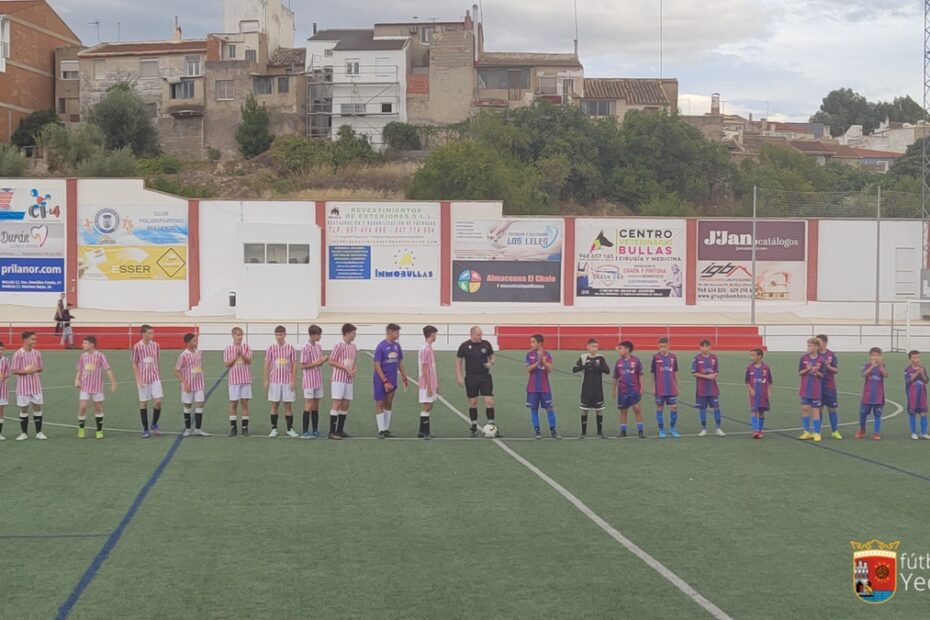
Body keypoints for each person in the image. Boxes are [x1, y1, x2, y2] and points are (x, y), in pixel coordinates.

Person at [456, 326, 496, 438]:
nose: (480, 337)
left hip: (485, 377)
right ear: (472, 334)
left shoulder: (486, 344)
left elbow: (492, 357)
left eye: (481, 334)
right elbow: (458, 362)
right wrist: (459, 377)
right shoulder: (464, 346)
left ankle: (492, 426)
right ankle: (473, 427)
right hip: (471, 377)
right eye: (478, 335)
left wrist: (491, 363)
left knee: (489, 401)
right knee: (473, 402)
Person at [74, 336, 116, 439]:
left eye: (85, 343)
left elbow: (108, 369)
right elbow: (79, 369)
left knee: (98, 407)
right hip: (85, 386)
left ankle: (99, 430)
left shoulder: (100, 356)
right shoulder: (82, 356)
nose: (83, 345)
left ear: (92, 345)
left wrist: (113, 382)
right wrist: (77, 380)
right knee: (83, 407)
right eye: (83, 343)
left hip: (97, 386)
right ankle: (81, 428)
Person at [373, 323, 409, 439]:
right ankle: (381, 429)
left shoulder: (397, 346)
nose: (398, 335)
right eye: (396, 332)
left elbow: (399, 362)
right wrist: (384, 380)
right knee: (380, 403)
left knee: (389, 403)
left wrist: (404, 376)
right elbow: (377, 365)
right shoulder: (381, 347)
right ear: (390, 332)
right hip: (381, 380)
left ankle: (386, 428)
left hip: (392, 379)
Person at [264, 325, 299, 438]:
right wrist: (267, 380)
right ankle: (274, 429)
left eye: (281, 334)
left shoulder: (290, 348)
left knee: (288, 405)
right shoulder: (271, 348)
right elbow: (267, 364)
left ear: (285, 335)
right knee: (275, 404)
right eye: (277, 335)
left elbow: (294, 365)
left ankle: (289, 429)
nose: (279, 337)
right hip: (275, 381)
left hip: (287, 381)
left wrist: (293, 380)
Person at [525, 334, 561, 439]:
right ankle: (537, 431)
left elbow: (549, 369)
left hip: (545, 388)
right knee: (534, 409)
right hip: (532, 388)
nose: (531, 344)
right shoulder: (529, 355)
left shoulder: (547, 354)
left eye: (533, 342)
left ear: (539, 343)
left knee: (549, 409)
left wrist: (543, 361)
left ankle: (553, 431)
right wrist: (537, 362)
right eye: (531, 342)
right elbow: (528, 369)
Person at [572, 338, 610, 438]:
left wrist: (598, 366)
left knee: (599, 410)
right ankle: (583, 432)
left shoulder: (601, 358)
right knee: (584, 410)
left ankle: (600, 432)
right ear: (588, 347)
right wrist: (584, 366)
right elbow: (574, 369)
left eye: (596, 347)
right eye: (593, 346)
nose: (595, 349)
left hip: (598, 389)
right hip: (586, 388)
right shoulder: (583, 357)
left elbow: (607, 371)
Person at [12, 331, 45, 441]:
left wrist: (35, 369)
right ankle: (24, 433)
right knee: (23, 409)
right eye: (32, 339)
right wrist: (26, 371)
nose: (35, 341)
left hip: (35, 386)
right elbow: (14, 370)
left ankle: (39, 432)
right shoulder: (18, 354)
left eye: (35, 339)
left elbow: (40, 368)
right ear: (25, 340)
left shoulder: (37, 353)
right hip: (23, 387)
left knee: (37, 407)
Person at [131, 324, 163, 438]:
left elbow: (157, 360)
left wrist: (157, 372)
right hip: (143, 379)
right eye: (149, 333)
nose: (152, 335)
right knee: (144, 403)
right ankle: (145, 429)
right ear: (143, 334)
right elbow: (134, 363)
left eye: (152, 333)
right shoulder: (137, 347)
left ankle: (154, 424)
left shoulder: (156, 345)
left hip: (155, 377)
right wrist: (138, 379)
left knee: (158, 401)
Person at [328, 323, 358, 440]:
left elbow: (353, 361)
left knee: (346, 404)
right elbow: (331, 361)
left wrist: (354, 370)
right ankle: (332, 431)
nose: (355, 335)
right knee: (337, 403)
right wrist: (345, 368)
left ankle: (340, 430)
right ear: (347, 333)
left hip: (348, 380)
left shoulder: (354, 347)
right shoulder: (338, 346)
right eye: (353, 333)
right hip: (338, 379)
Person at [176, 333, 208, 437]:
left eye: (196, 340)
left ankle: (198, 429)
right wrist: (184, 383)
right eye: (194, 341)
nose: (196, 342)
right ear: (188, 343)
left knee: (200, 404)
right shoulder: (183, 355)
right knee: (188, 405)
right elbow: (177, 371)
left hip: (199, 383)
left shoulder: (199, 352)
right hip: (188, 384)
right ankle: (188, 429)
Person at [692, 339, 724, 437]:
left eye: (707, 346)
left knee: (716, 407)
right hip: (701, 389)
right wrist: (707, 377)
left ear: (710, 347)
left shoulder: (714, 358)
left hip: (712, 388)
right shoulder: (696, 358)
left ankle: (718, 428)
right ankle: (703, 429)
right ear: (700, 347)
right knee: (702, 409)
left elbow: (716, 371)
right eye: (703, 346)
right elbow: (694, 373)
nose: (705, 348)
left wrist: (714, 375)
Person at [613, 340, 646, 439]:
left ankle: (640, 430)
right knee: (623, 410)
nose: (618, 350)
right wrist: (613, 390)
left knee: (637, 409)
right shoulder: (618, 362)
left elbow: (640, 375)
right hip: (622, 391)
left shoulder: (636, 361)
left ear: (627, 349)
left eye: (620, 348)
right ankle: (623, 431)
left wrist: (642, 387)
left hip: (634, 390)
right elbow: (615, 377)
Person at [300, 325, 328, 439]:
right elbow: (302, 365)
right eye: (318, 335)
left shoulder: (318, 346)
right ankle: (305, 431)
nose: (320, 337)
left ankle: (315, 430)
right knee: (308, 404)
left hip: (318, 380)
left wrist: (323, 360)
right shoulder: (305, 347)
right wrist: (316, 363)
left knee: (316, 406)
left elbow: (319, 363)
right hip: (309, 380)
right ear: (312, 335)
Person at [224, 327, 252, 436]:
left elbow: (249, 361)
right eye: (237, 335)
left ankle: (245, 428)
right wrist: (236, 356)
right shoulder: (228, 349)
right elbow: (226, 364)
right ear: (233, 336)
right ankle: (233, 427)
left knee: (245, 403)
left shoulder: (246, 347)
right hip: (234, 380)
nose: (239, 337)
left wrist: (242, 354)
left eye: (241, 335)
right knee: (233, 403)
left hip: (245, 379)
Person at [650, 337, 680, 438]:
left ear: (668, 346)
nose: (663, 348)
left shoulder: (673, 357)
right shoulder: (655, 357)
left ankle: (672, 428)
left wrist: (677, 386)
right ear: (658, 347)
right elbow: (652, 373)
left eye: (665, 346)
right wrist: (653, 387)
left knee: (674, 407)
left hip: (671, 387)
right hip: (660, 387)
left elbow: (675, 372)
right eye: (661, 347)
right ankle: (661, 429)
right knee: (659, 407)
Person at [856, 347, 888, 441]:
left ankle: (876, 432)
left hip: (878, 395)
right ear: (870, 356)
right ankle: (862, 429)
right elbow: (863, 374)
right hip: (867, 395)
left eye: (878, 355)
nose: (875, 357)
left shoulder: (882, 366)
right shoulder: (867, 366)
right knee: (863, 414)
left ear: (881, 356)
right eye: (873, 355)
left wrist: (880, 366)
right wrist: (872, 366)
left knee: (877, 415)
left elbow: (885, 375)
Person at [798, 337, 826, 442]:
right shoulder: (803, 358)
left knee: (815, 411)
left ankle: (817, 432)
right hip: (805, 388)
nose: (808, 347)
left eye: (810, 346)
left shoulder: (821, 360)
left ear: (816, 347)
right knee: (805, 408)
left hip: (815, 389)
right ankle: (806, 431)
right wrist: (807, 369)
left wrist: (816, 372)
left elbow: (823, 375)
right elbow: (800, 372)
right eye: (808, 345)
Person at [817, 334, 842, 439]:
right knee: (818, 410)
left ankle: (835, 431)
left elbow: (836, 370)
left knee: (832, 409)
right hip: (818, 387)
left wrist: (828, 366)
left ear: (825, 343)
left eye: (819, 342)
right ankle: (817, 431)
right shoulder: (814, 355)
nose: (817, 344)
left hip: (829, 387)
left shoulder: (831, 355)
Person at [746, 348, 774, 439]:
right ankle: (755, 430)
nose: (751, 357)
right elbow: (747, 381)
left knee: (761, 411)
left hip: (763, 393)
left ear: (759, 356)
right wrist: (750, 389)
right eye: (751, 355)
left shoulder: (766, 368)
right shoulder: (749, 368)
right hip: (754, 394)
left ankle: (760, 430)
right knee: (754, 410)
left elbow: (770, 381)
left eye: (753, 355)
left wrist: (769, 391)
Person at [418, 325, 440, 440]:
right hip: (426, 383)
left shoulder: (429, 348)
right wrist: (429, 386)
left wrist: (436, 383)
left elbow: (432, 368)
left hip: (431, 382)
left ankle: (422, 431)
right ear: (431, 334)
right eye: (435, 334)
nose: (436, 336)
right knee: (427, 405)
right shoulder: (425, 349)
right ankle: (425, 431)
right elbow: (424, 368)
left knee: (429, 405)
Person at [904, 350, 930, 440]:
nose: (917, 359)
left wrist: (922, 373)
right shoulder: (907, 370)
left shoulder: (923, 369)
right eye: (914, 357)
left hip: (922, 396)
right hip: (912, 396)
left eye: (918, 357)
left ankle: (923, 433)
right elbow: (908, 381)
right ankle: (913, 433)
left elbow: (926, 381)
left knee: (924, 413)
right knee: (912, 413)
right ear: (910, 359)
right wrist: (916, 373)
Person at [0, 341, 9, 441]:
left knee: (1, 412)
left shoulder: (5, 360)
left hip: (2, 390)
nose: (0, 351)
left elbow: (8, 373)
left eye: (2, 349)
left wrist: (4, 376)